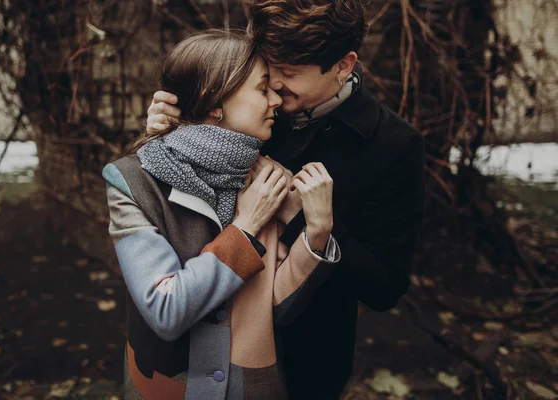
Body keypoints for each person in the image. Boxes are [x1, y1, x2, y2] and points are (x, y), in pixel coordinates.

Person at [146, 0, 426, 398]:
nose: (273, 84)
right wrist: (171, 136)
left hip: (306, 364)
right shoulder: (247, 101)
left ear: (344, 66)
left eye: (290, 73)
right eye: (268, 66)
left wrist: (309, 223)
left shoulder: (393, 146)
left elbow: (385, 287)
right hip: (198, 349)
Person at [103, 29, 341, 400]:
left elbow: (277, 306)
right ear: (216, 103)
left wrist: (318, 232)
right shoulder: (132, 183)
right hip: (164, 387)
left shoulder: (267, 180)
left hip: (252, 388)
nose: (277, 99)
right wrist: (245, 228)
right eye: (263, 89)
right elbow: (165, 310)